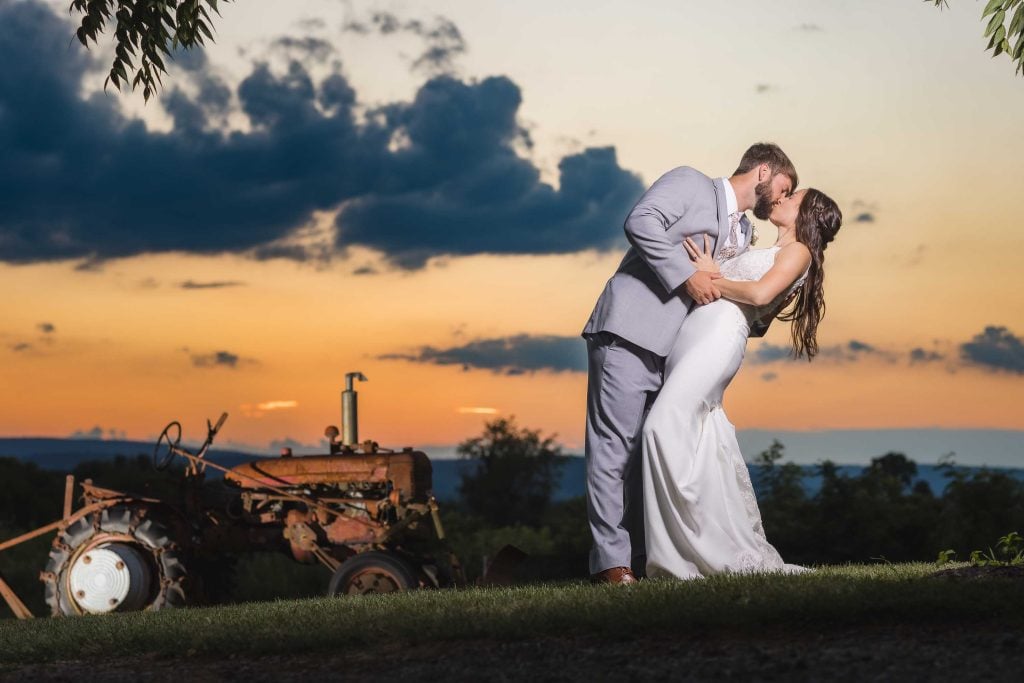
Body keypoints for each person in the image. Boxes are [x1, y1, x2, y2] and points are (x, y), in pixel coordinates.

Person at [580, 143, 797, 585]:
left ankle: (643, 556)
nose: (781, 198)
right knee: (612, 449)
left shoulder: (745, 236)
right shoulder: (690, 182)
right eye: (783, 186)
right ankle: (610, 564)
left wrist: (766, 307)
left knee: (649, 455)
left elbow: (726, 304)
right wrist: (688, 274)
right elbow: (639, 221)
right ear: (762, 170)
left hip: (676, 355)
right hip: (628, 329)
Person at [642, 188, 843, 580]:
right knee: (698, 440)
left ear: (807, 213)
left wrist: (706, 279)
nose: (782, 200)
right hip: (694, 335)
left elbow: (759, 293)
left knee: (659, 428)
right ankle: (689, 551)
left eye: (793, 197)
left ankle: (685, 554)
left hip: (718, 338)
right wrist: (709, 271)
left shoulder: (799, 251)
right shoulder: (769, 248)